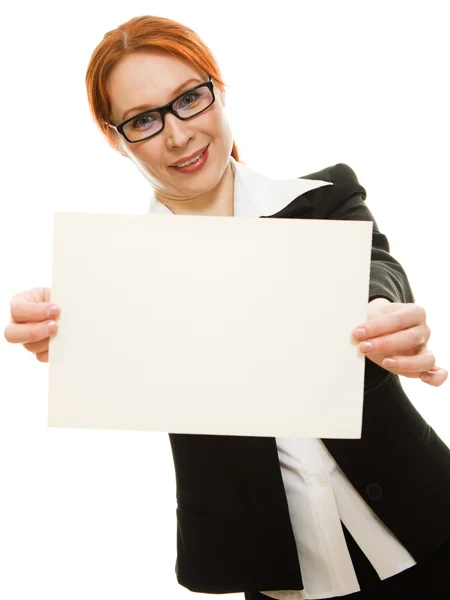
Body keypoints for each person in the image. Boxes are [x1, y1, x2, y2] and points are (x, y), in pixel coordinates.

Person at [4, 14, 449, 600]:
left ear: (217, 91)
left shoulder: (325, 199)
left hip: (425, 527)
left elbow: (378, 270)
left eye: (189, 98)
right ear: (116, 138)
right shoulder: (120, 279)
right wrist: (65, 327)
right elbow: (96, 352)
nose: (178, 134)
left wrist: (381, 308)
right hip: (271, 570)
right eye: (143, 119)